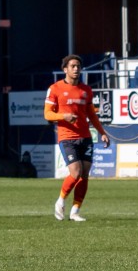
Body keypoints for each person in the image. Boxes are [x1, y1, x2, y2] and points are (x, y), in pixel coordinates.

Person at [44, 55, 110, 222]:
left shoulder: (86, 90)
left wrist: (102, 132)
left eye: (78, 66)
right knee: (76, 171)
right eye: (72, 66)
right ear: (65, 69)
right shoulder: (55, 88)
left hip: (85, 136)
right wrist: (63, 116)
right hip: (67, 137)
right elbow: (47, 114)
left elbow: (91, 115)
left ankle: (75, 211)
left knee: (85, 174)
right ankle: (60, 201)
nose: (76, 69)